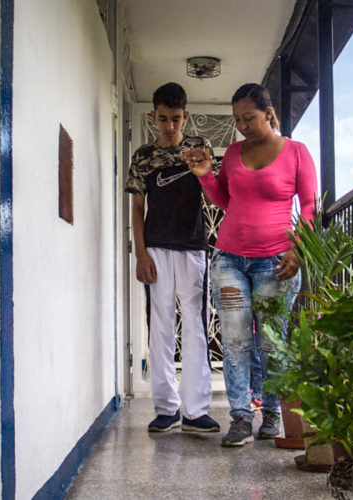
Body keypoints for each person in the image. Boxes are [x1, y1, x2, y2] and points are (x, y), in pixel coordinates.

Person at [184, 83, 317, 447]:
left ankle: (272, 413)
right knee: (237, 339)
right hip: (229, 258)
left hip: (276, 261)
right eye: (238, 119)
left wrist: (298, 250)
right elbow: (224, 200)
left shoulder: (297, 152)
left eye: (250, 118)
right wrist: (205, 175)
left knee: (272, 341)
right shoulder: (233, 153)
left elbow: (309, 206)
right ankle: (241, 416)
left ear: (268, 113)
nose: (243, 125)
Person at [125, 82, 220, 434]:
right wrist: (140, 252)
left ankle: (196, 410)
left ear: (186, 116)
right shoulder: (143, 157)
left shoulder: (199, 149)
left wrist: (204, 169)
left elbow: (214, 190)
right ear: (153, 116)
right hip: (156, 248)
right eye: (163, 118)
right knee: (160, 325)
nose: (169, 126)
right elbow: (136, 207)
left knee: (196, 325)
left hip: (194, 246)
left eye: (176, 119)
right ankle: (166, 408)